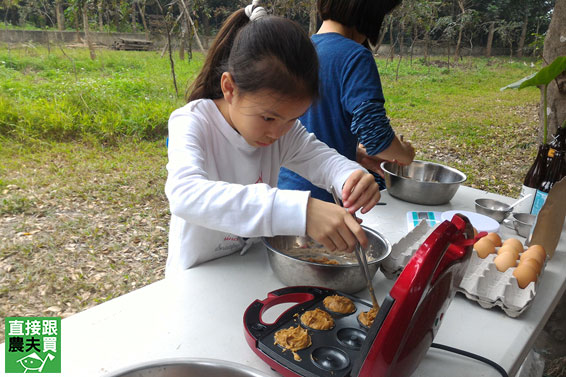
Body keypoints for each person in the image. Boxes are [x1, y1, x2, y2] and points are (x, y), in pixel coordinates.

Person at [164, 1, 381, 276]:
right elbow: (185, 195)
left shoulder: (282, 131)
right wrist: (302, 210)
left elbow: (321, 158)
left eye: (293, 118)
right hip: (196, 278)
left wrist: (351, 175)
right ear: (230, 88)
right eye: (268, 118)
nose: (278, 132)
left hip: (250, 270)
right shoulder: (193, 122)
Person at [278, 0, 415, 203]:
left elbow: (308, 127)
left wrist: (355, 153)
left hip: (285, 194)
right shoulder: (355, 56)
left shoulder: (297, 52)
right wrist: (405, 154)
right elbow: (376, 139)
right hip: (328, 200)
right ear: (369, 14)